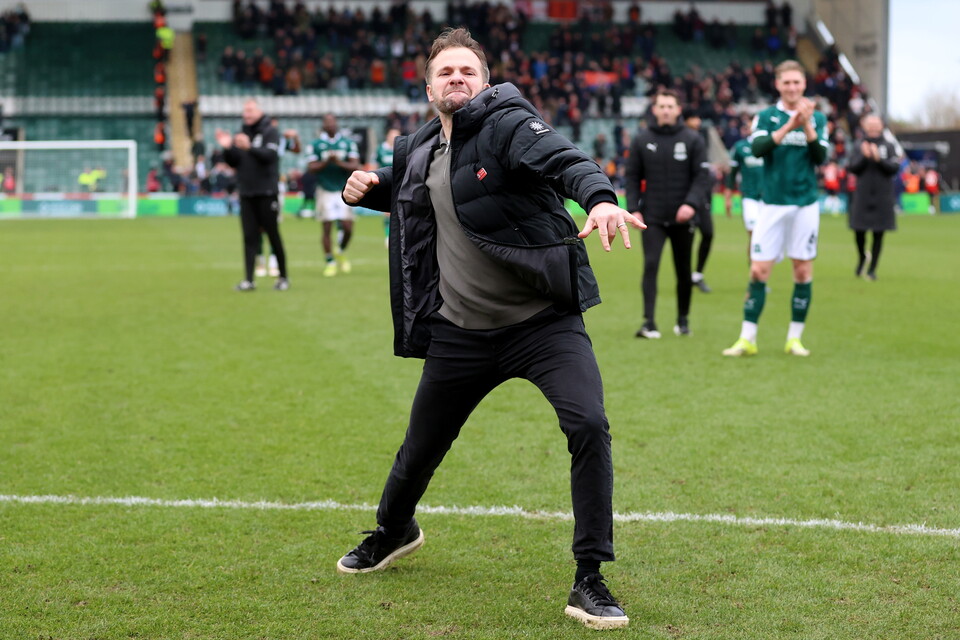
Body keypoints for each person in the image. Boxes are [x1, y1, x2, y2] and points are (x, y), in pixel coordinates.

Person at [337, 27, 643, 631]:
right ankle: (394, 532)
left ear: (484, 82)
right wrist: (370, 191)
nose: (456, 80)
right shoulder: (421, 148)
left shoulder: (508, 124)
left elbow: (564, 160)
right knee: (420, 446)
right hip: (461, 331)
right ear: (428, 88)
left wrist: (600, 198)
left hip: (542, 323)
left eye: (467, 72)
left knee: (588, 423)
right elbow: (423, 199)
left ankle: (590, 577)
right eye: (445, 72)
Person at [723, 60, 828, 357]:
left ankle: (794, 338)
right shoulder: (766, 116)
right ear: (778, 85)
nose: (792, 87)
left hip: (805, 204)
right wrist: (789, 126)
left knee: (802, 269)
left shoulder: (818, 118)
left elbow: (821, 157)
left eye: (797, 82)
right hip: (771, 203)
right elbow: (757, 150)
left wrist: (806, 124)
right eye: (787, 82)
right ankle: (747, 338)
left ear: (804, 84)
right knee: (758, 270)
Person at [624, 89, 712, 338]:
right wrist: (634, 209)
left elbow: (702, 177)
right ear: (654, 110)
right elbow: (632, 177)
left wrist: (691, 204)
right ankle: (649, 323)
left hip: (683, 217)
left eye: (670, 106)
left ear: (678, 110)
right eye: (661, 106)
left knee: (683, 270)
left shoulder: (693, 139)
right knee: (650, 265)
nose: (665, 110)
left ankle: (682, 320)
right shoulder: (642, 139)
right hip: (652, 216)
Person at [216, 98, 289, 292]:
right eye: (244, 111)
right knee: (249, 238)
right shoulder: (242, 133)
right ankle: (249, 280)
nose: (246, 114)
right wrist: (227, 148)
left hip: (267, 192)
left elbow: (270, 157)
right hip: (247, 193)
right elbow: (234, 162)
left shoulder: (270, 131)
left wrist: (249, 147)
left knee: (273, 235)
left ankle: (283, 277)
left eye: (250, 110)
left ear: (259, 111)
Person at [306, 113, 360, 277]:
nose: (330, 125)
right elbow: (311, 167)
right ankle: (330, 261)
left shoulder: (347, 143)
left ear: (336, 124)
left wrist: (338, 162)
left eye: (332, 122)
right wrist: (326, 162)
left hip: (344, 188)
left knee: (348, 227)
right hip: (324, 189)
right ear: (323, 125)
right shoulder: (316, 144)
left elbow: (354, 164)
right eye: (327, 122)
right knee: (327, 226)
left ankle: (341, 250)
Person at [847, 114, 899, 281]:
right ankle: (862, 257)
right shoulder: (858, 145)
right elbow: (853, 168)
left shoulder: (889, 145)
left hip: (883, 197)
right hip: (862, 196)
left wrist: (878, 159)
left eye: (876, 124)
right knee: (859, 232)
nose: (873, 127)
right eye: (870, 124)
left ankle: (872, 269)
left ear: (882, 125)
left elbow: (894, 168)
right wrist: (864, 156)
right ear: (865, 126)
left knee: (878, 233)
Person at [682, 107, 719, 293]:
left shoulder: (700, 139)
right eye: (693, 117)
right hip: (684, 197)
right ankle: (686, 276)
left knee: (708, 233)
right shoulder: (682, 139)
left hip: (702, 196)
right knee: (686, 238)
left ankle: (697, 275)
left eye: (698, 117)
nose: (697, 121)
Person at [726, 122, 765, 259]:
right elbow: (731, 175)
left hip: (768, 198)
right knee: (754, 234)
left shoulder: (770, 145)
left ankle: (760, 268)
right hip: (749, 196)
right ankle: (754, 269)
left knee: (765, 236)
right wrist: (728, 199)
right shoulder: (740, 147)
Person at [374, 127, 400, 248]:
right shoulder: (381, 149)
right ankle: (388, 236)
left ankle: (399, 235)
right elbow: (375, 165)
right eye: (392, 135)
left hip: (400, 182)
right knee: (387, 211)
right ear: (387, 136)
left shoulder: (401, 148)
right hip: (386, 183)